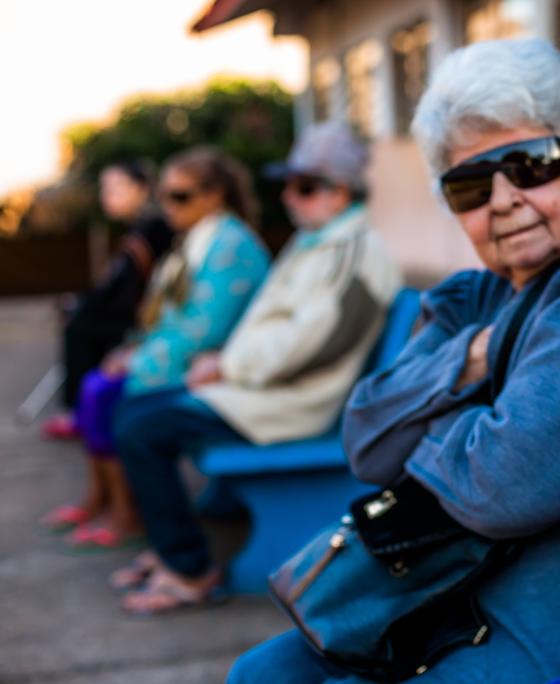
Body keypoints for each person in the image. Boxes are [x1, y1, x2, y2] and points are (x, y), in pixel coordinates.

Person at [228, 38, 560, 683]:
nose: (504, 198)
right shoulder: (475, 294)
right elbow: (367, 441)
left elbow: (505, 487)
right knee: (261, 673)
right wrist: (472, 361)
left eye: (531, 163)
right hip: (459, 584)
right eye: (468, 184)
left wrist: (437, 421)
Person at [109, 121, 403, 614]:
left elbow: (316, 342)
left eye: (305, 187)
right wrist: (225, 365)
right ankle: (173, 548)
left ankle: (190, 569)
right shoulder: (320, 239)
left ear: (343, 191)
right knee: (135, 411)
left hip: (286, 405)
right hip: (259, 392)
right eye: (287, 184)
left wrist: (229, 367)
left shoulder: (355, 252)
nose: (290, 197)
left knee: (142, 429)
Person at [47, 147, 270, 550]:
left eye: (180, 196)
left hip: (214, 364)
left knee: (117, 403)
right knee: (97, 386)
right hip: (195, 358)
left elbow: (208, 326)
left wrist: (140, 360)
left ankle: (132, 517)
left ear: (213, 194)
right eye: (165, 196)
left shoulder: (230, 245)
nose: (169, 206)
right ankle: (107, 502)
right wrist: (132, 348)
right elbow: (167, 316)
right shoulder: (198, 239)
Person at [39, 160, 173, 441]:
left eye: (116, 188)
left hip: (146, 320)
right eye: (105, 189)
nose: (107, 196)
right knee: (81, 318)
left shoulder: (155, 228)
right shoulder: (139, 229)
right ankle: (84, 410)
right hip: (133, 315)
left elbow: (137, 292)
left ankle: (78, 413)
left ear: (142, 189)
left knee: (81, 326)